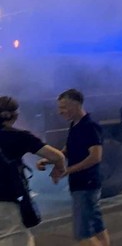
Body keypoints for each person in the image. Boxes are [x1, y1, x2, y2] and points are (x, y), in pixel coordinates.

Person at [39, 89, 110, 246]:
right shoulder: (75, 125)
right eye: (59, 107)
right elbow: (68, 150)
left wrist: (67, 171)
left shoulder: (90, 126)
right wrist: (48, 160)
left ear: (76, 104)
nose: (60, 112)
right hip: (82, 184)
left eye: (64, 107)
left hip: (87, 185)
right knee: (97, 226)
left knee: (82, 233)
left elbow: (95, 157)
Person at [1, 96, 66, 246]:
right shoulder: (20, 137)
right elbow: (57, 156)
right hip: (8, 202)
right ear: (15, 115)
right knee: (15, 239)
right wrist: (59, 169)